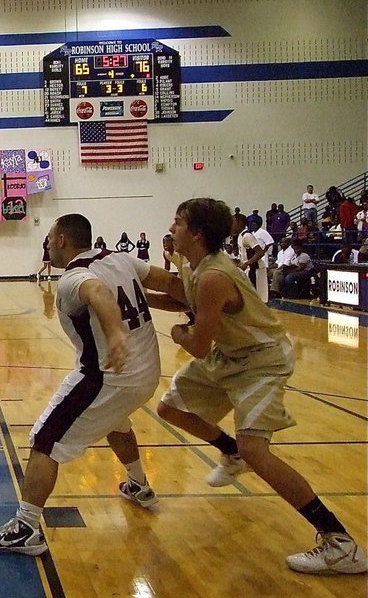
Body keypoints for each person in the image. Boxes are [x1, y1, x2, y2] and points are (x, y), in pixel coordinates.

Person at [147, 197, 366, 574]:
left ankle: (340, 543)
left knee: (257, 451)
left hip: (261, 360)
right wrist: (131, 300)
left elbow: (198, 345)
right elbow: (181, 297)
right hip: (231, 355)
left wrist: (180, 332)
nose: (171, 228)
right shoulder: (195, 265)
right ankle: (230, 452)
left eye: (178, 222)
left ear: (196, 233)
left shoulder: (215, 275)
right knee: (170, 409)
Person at [0, 214, 161, 556]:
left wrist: (114, 333)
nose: (47, 244)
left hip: (108, 375)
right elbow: (168, 282)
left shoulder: (74, 278)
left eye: (49, 238)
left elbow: (98, 292)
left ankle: (26, 527)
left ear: (62, 240)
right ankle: (138, 484)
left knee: (45, 439)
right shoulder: (120, 258)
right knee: (115, 422)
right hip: (147, 373)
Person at [233, 212, 268, 303]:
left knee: (257, 300)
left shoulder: (247, 236)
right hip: (248, 270)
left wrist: (247, 263)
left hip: (255, 270)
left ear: (240, 222)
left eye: (233, 222)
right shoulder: (240, 236)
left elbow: (260, 253)